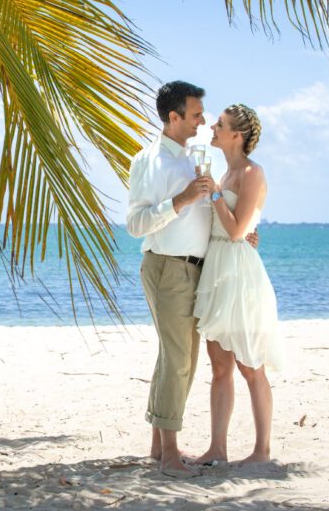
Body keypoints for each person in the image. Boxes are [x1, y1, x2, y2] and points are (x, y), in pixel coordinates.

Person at [126, 81, 213, 477]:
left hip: (193, 268)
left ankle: (160, 447)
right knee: (179, 360)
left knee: (178, 358)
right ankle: (170, 457)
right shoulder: (150, 161)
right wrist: (183, 199)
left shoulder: (192, 157)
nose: (202, 122)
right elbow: (135, 224)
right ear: (173, 117)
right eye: (195, 115)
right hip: (168, 266)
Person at [192, 104, 282, 466]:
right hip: (215, 268)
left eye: (220, 124)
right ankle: (218, 449)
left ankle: (261, 451)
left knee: (250, 365)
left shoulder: (251, 173)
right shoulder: (225, 172)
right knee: (219, 368)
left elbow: (236, 231)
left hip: (240, 274)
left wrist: (214, 193)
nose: (212, 127)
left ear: (237, 135)